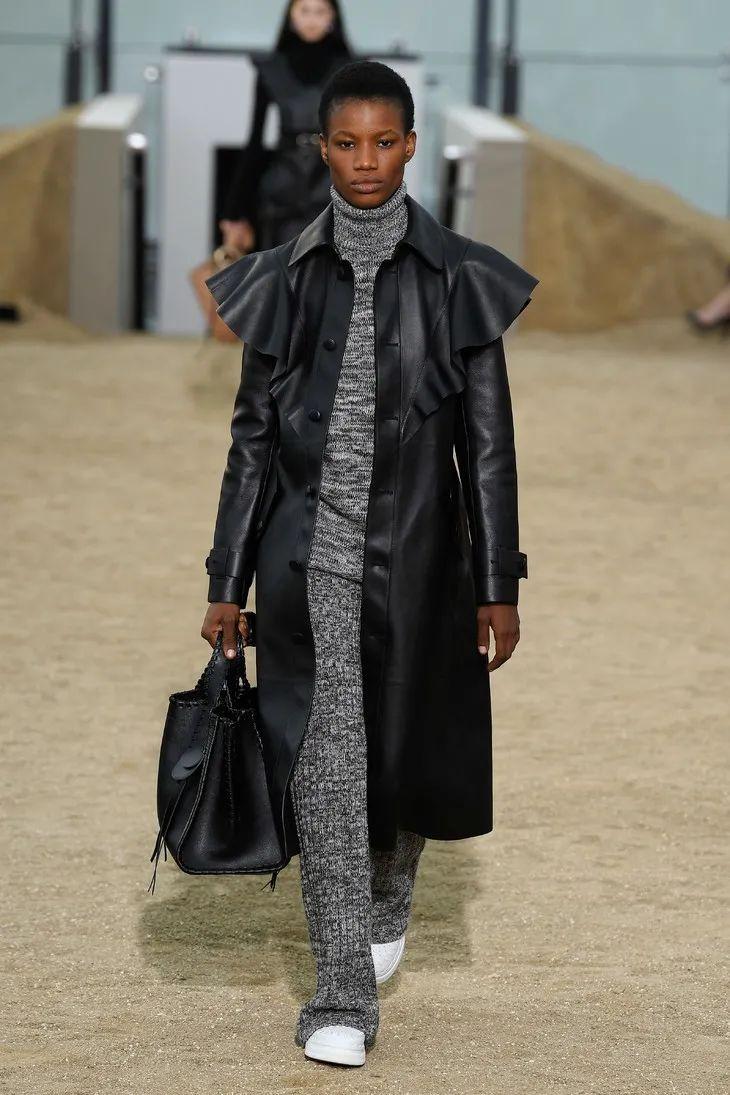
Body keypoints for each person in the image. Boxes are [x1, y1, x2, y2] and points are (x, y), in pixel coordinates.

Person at [201, 60, 538, 1068]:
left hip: (422, 562)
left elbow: (487, 448)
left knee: (399, 758)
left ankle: (390, 893)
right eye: (346, 143)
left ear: (411, 145)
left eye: (383, 142)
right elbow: (252, 443)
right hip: (304, 569)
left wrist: (499, 584)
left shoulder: (461, 279)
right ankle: (340, 996)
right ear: (321, 148)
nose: (364, 161)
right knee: (328, 772)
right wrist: (224, 581)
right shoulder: (281, 278)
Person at [219, 0, 352, 255]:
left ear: (332, 18)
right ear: (291, 16)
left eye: (320, 11)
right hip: (284, 186)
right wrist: (233, 210)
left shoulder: (351, 69)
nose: (312, 19)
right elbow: (255, 139)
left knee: (331, 270)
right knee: (282, 268)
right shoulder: (272, 69)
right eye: (305, 11)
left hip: (333, 182)